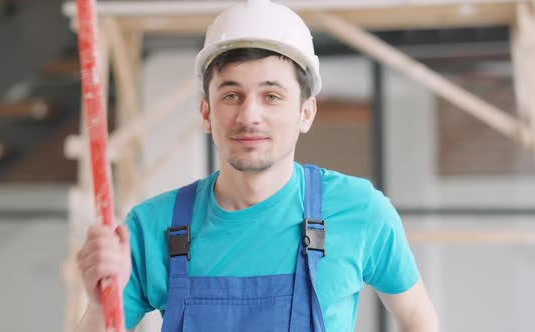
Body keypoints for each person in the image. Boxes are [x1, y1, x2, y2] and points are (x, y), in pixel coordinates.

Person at [76, 0, 439, 331]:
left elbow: (417, 318)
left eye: (272, 96)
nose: (249, 116)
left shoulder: (360, 211)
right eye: (231, 95)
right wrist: (97, 306)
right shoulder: (152, 228)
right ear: (206, 112)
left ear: (305, 112)